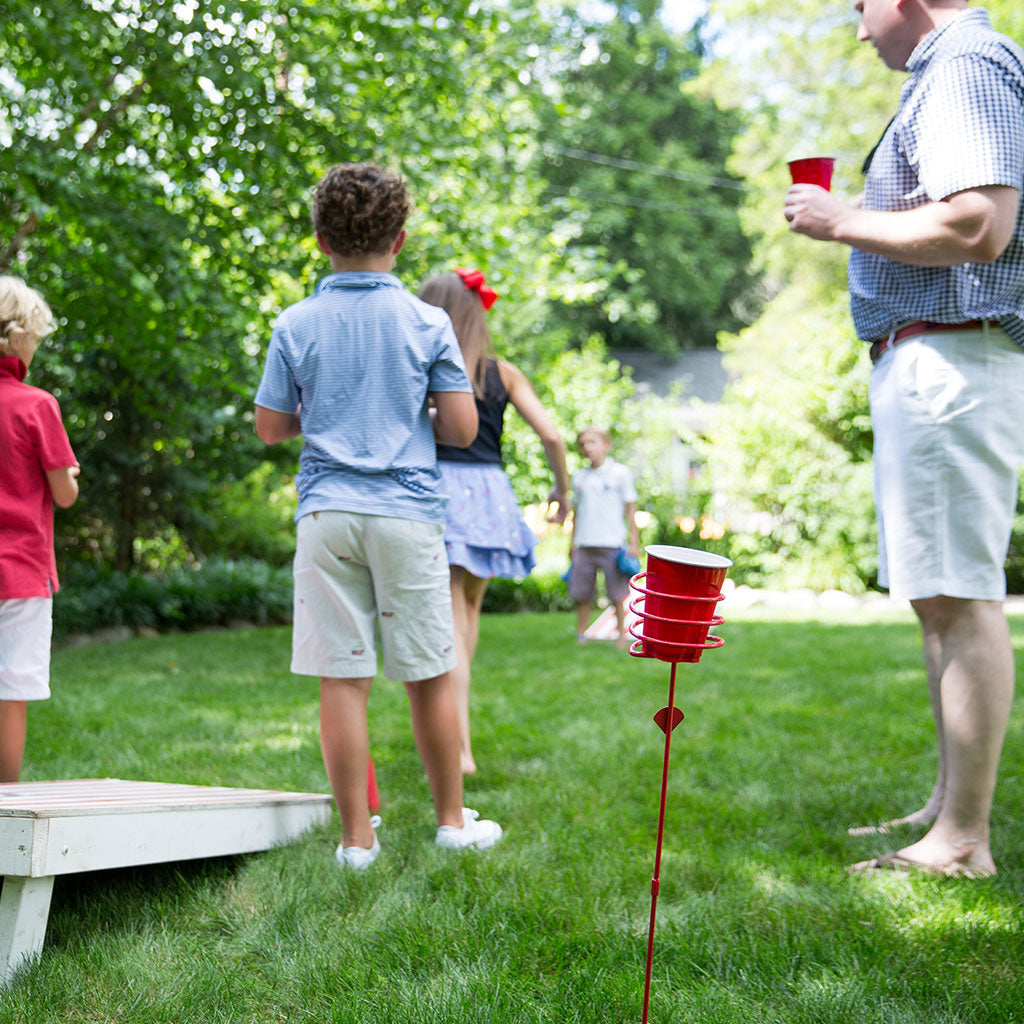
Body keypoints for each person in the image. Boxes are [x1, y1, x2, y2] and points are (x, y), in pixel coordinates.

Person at [784, 0, 1024, 877]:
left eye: (859, 6)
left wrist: (839, 219)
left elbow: (978, 224)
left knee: (959, 597)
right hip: (934, 362)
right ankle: (949, 805)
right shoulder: (951, 69)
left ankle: (963, 840)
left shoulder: (965, 64)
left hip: (952, 364)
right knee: (940, 600)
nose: (857, 28)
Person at [254, 163, 503, 869]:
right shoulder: (426, 321)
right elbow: (459, 428)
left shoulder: (296, 322)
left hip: (329, 512)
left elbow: (271, 427)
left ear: (321, 240)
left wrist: (326, 412)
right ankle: (452, 823)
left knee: (343, 676)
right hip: (406, 514)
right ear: (398, 239)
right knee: (428, 671)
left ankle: (355, 841)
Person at [417, 269, 570, 775]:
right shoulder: (501, 373)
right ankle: (459, 740)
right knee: (468, 615)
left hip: (438, 491)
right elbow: (552, 436)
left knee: (450, 623)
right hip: (489, 497)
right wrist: (560, 490)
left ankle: (459, 748)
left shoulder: (420, 365)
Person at [0, 276, 80, 783]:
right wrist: (69, 474)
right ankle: (3, 805)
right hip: (21, 574)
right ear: (23, 336)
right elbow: (65, 493)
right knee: (11, 692)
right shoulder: (36, 405)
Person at [568, 426, 640, 650]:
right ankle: (581, 634)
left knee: (616, 594)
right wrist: (571, 543)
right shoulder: (579, 477)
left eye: (592, 442)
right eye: (582, 444)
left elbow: (630, 510)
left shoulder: (620, 473)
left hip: (612, 543)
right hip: (585, 543)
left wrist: (634, 542)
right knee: (582, 592)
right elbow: (576, 513)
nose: (587, 448)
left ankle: (621, 635)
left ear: (606, 443)